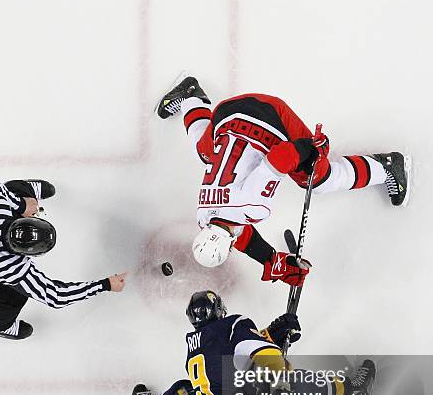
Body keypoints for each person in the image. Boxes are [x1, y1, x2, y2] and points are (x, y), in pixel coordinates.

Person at [156, 75, 411, 284]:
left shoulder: (253, 206)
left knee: (319, 179)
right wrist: (270, 260)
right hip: (227, 114)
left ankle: (387, 166)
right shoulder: (204, 217)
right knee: (205, 152)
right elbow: (239, 232)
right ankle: (191, 96)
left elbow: (279, 159)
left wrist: (311, 150)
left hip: (270, 116)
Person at [132, 290, 376, 395]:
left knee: (180, 392)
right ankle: (354, 390)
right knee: (298, 383)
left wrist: (270, 334)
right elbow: (263, 361)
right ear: (220, 309)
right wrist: (276, 350)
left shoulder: (194, 345)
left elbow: (230, 353)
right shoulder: (234, 324)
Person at [0, 172, 127, 340]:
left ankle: (24, 195)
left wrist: (20, 204)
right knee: (15, 295)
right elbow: (55, 296)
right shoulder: (13, 268)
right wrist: (105, 284)